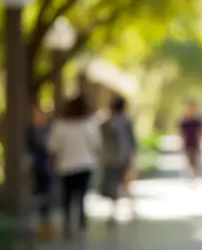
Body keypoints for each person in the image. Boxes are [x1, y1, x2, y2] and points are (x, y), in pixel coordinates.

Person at [47, 95, 100, 239]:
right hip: (85, 164)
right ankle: (82, 225)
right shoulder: (89, 124)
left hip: (66, 165)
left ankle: (67, 224)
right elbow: (96, 144)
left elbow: (53, 146)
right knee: (81, 196)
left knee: (67, 196)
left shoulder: (61, 125)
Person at [99, 96, 138, 226]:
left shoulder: (106, 122)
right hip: (123, 157)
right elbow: (132, 141)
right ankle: (132, 209)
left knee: (113, 185)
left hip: (110, 158)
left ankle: (113, 213)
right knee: (126, 183)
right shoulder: (126, 121)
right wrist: (133, 157)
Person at [26, 106, 55, 240]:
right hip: (36, 167)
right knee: (38, 195)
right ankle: (39, 225)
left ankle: (46, 225)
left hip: (47, 167)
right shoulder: (30, 131)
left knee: (46, 195)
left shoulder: (49, 130)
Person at [179, 101, 202, 178]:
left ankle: (194, 176)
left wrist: (200, 145)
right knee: (188, 161)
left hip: (195, 145)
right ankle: (189, 176)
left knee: (195, 162)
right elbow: (181, 134)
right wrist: (181, 144)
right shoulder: (184, 122)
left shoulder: (197, 121)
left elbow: (200, 134)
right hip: (187, 144)